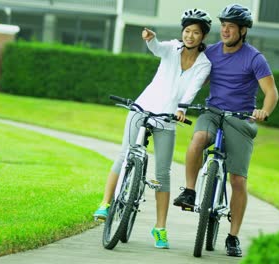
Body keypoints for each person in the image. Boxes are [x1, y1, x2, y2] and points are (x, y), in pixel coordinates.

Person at [93, 9, 212, 249]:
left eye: (195, 32)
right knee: (125, 154)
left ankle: (160, 228)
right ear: (182, 32)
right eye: (187, 31)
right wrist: (151, 39)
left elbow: (193, 88)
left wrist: (182, 109)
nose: (190, 36)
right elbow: (157, 48)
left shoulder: (204, 63)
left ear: (203, 36)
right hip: (142, 108)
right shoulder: (171, 48)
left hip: (168, 118)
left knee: (163, 174)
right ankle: (106, 203)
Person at [173, 4, 279, 257]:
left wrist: (264, 111)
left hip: (241, 119)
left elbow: (271, 92)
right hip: (213, 113)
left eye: (231, 26)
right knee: (199, 138)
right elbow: (195, 76)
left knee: (238, 180)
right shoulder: (210, 53)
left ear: (243, 31)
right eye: (224, 26)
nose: (226, 30)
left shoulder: (254, 58)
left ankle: (233, 237)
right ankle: (189, 191)